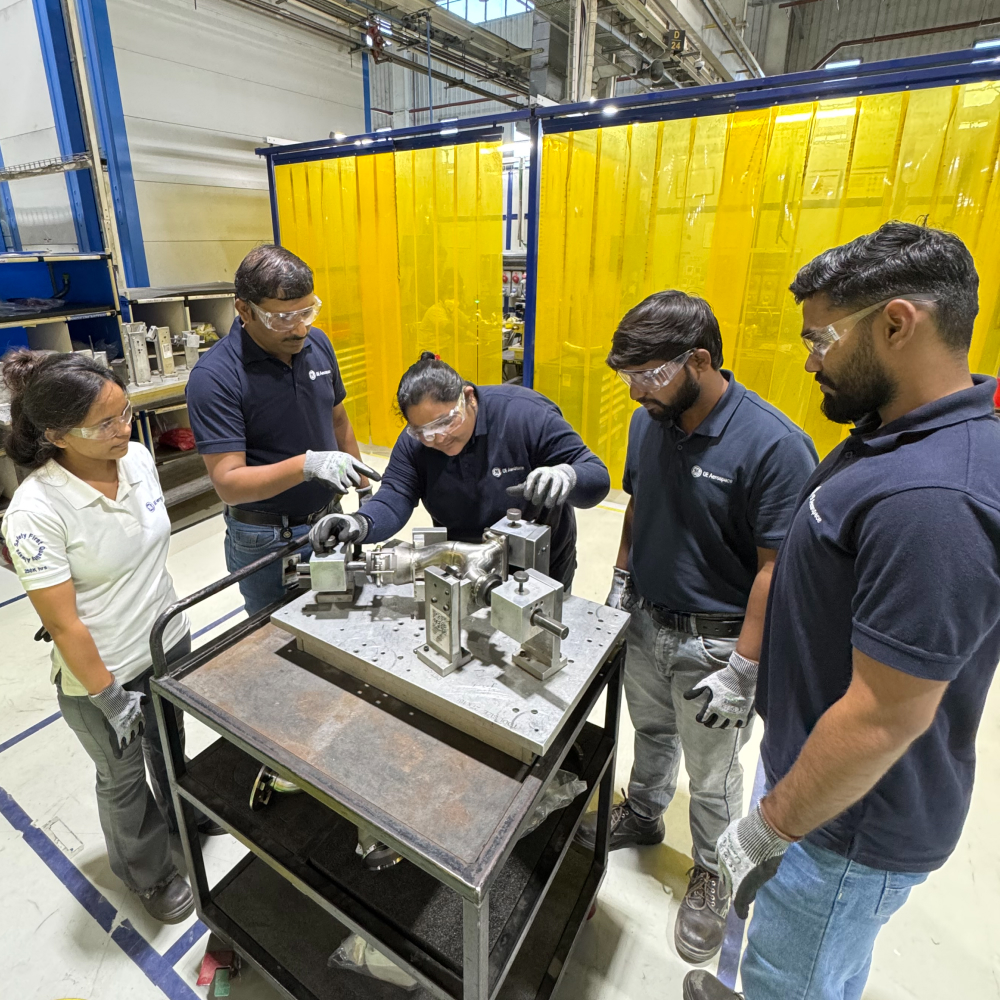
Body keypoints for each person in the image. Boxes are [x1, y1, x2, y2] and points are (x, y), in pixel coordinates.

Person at [683, 222, 1000, 1000]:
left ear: (896, 324)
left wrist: (771, 826)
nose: (809, 360)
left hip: (847, 821)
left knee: (794, 979)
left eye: (820, 339)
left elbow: (884, 718)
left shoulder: (936, 498)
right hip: (813, 777)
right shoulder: (896, 431)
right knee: (810, 966)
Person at [579, 291, 817, 964]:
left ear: (701, 361)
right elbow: (636, 505)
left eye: (649, 376)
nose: (636, 393)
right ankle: (645, 813)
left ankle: (714, 871)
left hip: (716, 643)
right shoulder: (648, 420)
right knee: (651, 731)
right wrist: (621, 581)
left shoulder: (774, 445)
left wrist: (743, 668)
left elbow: (775, 569)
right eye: (627, 378)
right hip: (647, 618)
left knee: (713, 773)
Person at [0, 351, 209, 924]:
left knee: (169, 744)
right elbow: (63, 623)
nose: (124, 429)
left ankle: (183, 815)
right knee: (122, 779)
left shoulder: (136, 457)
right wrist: (107, 694)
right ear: (56, 435)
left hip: (164, 640)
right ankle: (148, 874)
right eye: (105, 423)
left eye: (126, 412)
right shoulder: (35, 511)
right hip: (103, 670)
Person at [308, 352, 610, 590]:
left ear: (469, 397)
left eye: (446, 422)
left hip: (539, 568)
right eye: (425, 432)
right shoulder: (414, 444)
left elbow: (596, 477)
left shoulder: (525, 415)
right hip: (463, 566)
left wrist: (567, 476)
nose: (439, 438)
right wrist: (359, 523)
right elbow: (395, 496)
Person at [186, 245, 378, 615]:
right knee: (275, 634)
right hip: (269, 536)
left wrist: (364, 491)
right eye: (283, 318)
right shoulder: (215, 377)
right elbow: (229, 483)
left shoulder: (317, 344)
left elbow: (337, 420)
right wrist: (307, 465)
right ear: (244, 310)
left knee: (340, 615)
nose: (300, 328)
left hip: (329, 516)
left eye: (307, 312)